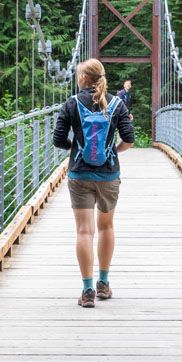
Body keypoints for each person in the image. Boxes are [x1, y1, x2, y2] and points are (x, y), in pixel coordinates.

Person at [54, 58, 134, 307]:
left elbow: (58, 140)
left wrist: (76, 147)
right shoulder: (118, 104)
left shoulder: (72, 103)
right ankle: (103, 284)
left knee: (84, 231)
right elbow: (129, 140)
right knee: (106, 227)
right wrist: (112, 152)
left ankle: (87, 290)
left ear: (83, 79)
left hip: (80, 174)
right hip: (108, 175)